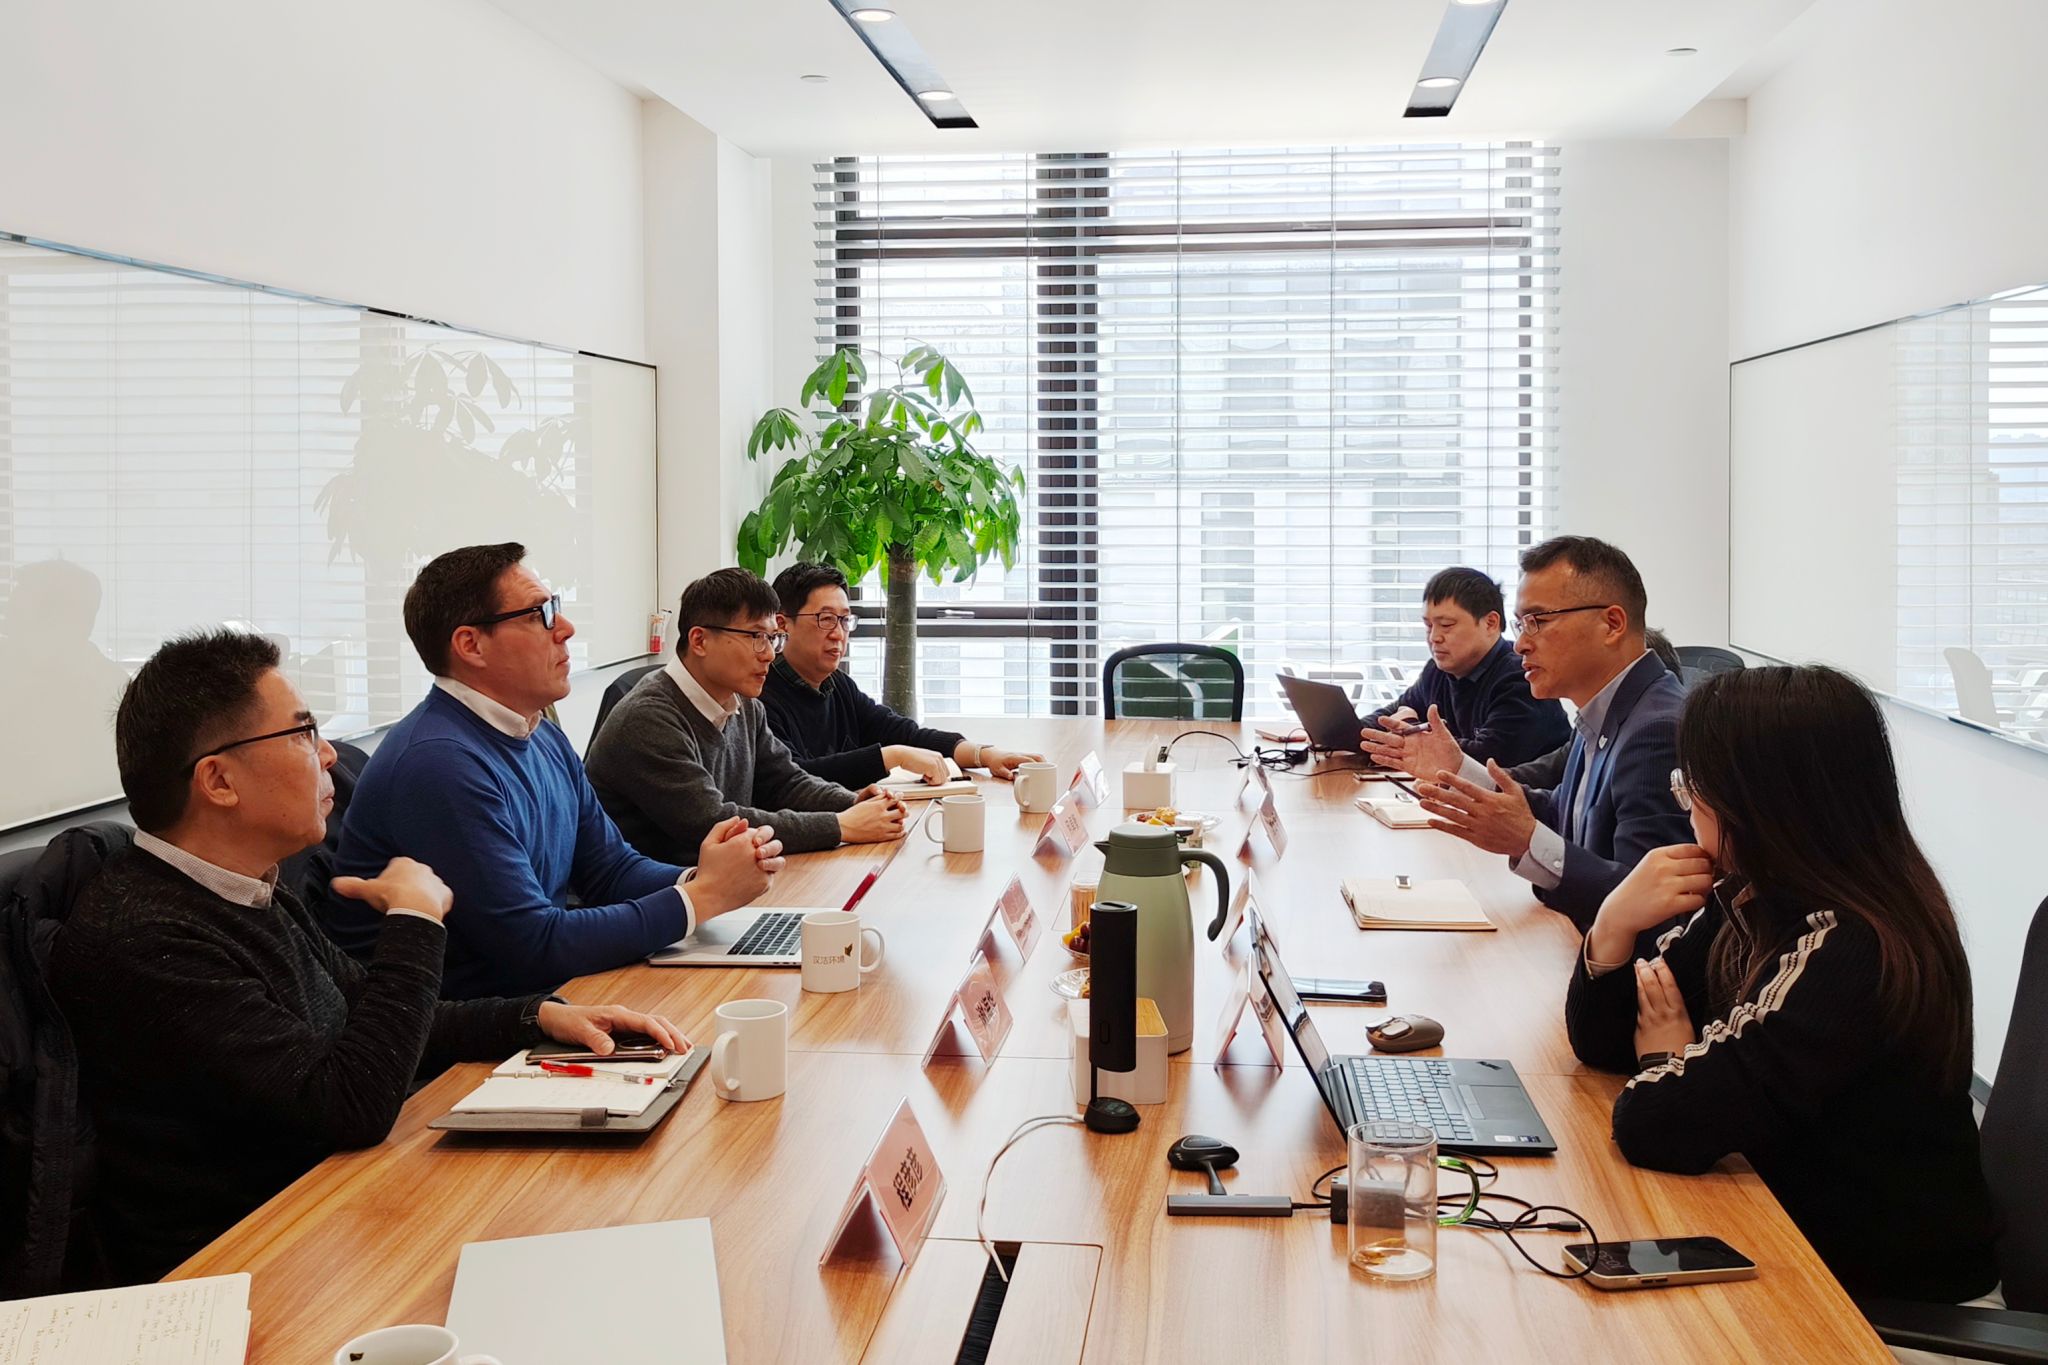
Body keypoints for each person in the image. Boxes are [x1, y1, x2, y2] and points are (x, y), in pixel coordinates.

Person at [46, 630, 685, 1284]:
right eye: (302, 733)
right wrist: (414, 920)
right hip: (244, 1264)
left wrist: (539, 1018)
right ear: (218, 780)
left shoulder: (245, 886)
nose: (329, 754)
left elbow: (369, 1014)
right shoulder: (147, 934)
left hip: (329, 1208)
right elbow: (349, 1104)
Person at [1564, 665, 1997, 1304]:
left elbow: (1658, 1123)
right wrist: (1612, 925)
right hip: (1791, 1230)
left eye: (1691, 787)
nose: (1686, 806)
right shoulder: (1753, 892)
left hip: (1883, 1297)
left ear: (1756, 802)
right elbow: (1604, 1041)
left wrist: (1665, 1059)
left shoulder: (1850, 945)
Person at [327, 544, 784, 998]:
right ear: (471, 645)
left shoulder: (540, 733)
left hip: (542, 995)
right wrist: (703, 898)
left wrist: (701, 878)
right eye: (539, 614)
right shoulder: (438, 764)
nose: (565, 628)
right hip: (471, 1027)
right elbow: (533, 945)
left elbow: (609, 870)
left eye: (557, 608)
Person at [1360, 536, 1691, 930]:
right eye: (1521, 624)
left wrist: (1528, 840)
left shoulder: (1656, 729)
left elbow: (1651, 909)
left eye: (1538, 621)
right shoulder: (1609, 709)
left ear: (1612, 624)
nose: (1520, 644)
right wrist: (1459, 768)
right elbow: (1562, 812)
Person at [586, 567, 908, 864]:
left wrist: (852, 803)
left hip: (721, 882)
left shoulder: (744, 703)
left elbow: (785, 781)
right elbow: (714, 822)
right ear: (700, 640)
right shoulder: (648, 718)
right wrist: (841, 825)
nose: (768, 654)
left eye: (772, 638)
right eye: (755, 637)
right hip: (656, 896)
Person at [759, 563, 1042, 788]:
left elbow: (906, 734)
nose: (838, 634)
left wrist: (985, 755)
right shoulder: (760, 697)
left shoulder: (838, 686)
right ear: (783, 625)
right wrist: (892, 756)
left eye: (845, 620)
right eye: (826, 619)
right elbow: (795, 778)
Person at [1363, 566, 1569, 768]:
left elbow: (1487, 760)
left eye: (1446, 625)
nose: (1434, 637)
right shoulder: (1437, 671)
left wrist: (1410, 727)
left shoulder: (1521, 675)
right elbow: (1388, 717)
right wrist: (1351, 732)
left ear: (1490, 623)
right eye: (1428, 626)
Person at [1507, 627, 1685, 790]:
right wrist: (1501, 781)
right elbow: (1557, 775)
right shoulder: (1595, 719)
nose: (1520, 645)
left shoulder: (1652, 732)